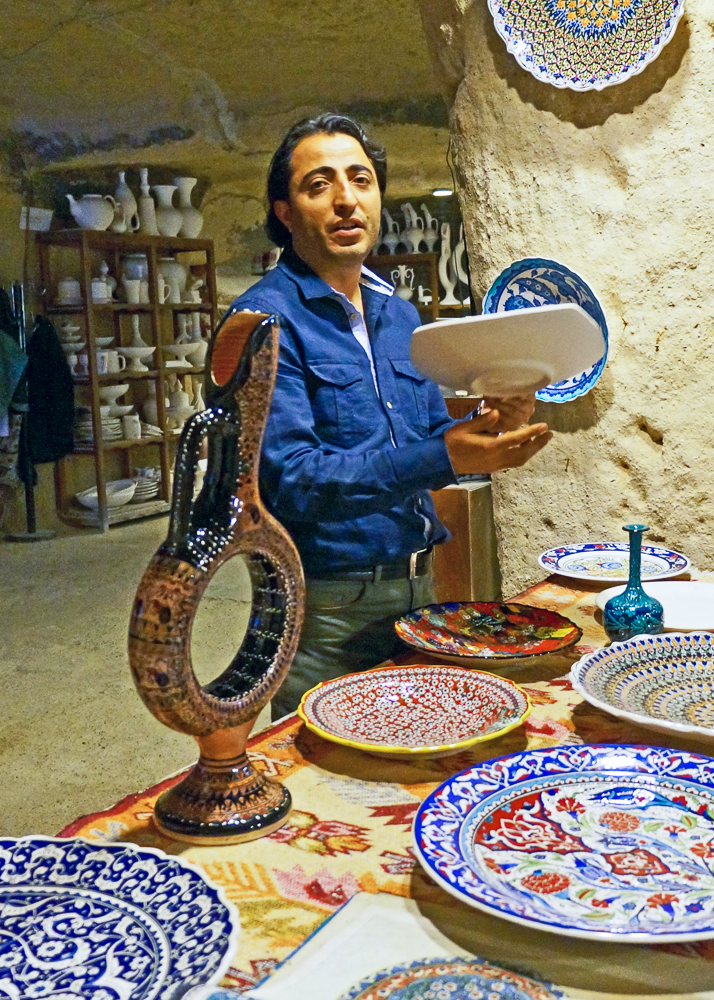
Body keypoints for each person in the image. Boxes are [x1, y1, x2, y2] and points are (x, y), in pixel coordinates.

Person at [227, 113, 553, 718]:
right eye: (318, 185)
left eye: (361, 180)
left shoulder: (399, 315)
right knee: (329, 784)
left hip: (419, 589)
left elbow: (426, 440)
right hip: (323, 609)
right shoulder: (263, 322)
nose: (347, 200)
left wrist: (491, 421)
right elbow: (291, 480)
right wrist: (446, 454)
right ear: (284, 210)